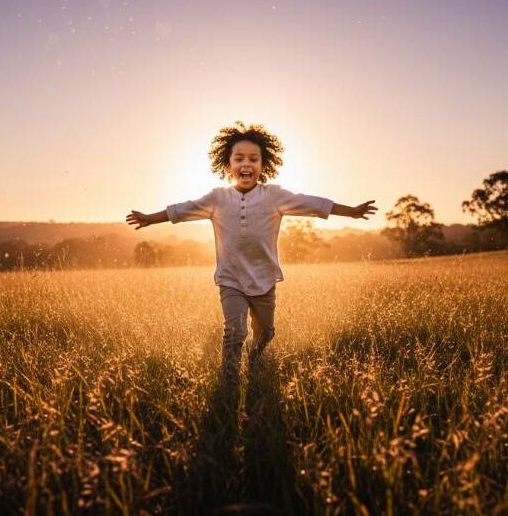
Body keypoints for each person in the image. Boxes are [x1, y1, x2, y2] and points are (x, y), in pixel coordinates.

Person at [126, 121, 376, 383]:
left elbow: (312, 203)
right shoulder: (216, 198)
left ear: (262, 165)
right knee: (234, 331)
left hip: (264, 279)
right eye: (239, 158)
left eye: (253, 159)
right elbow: (180, 210)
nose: (246, 164)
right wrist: (149, 218)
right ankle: (229, 381)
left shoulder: (275, 196)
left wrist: (352, 211)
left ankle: (255, 358)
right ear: (229, 164)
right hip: (230, 278)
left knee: (266, 332)